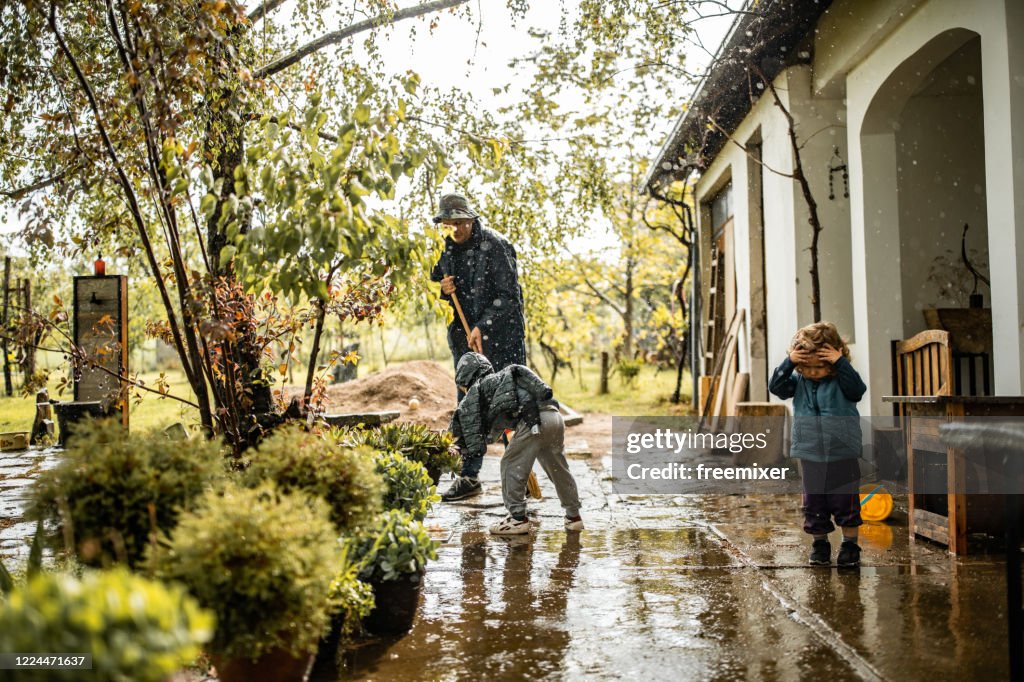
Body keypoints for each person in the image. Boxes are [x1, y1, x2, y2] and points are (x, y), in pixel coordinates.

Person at [446, 352, 584, 535]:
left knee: (509, 464)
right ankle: (573, 516)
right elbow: (496, 428)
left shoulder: (478, 388)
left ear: (466, 378)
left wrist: (455, 442)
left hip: (533, 421)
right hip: (554, 416)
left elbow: (466, 417)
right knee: (558, 468)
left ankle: (517, 518)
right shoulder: (502, 383)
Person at [768, 322, 867, 567]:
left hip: (842, 449)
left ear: (833, 359)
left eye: (819, 367)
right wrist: (789, 362)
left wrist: (841, 362)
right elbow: (776, 388)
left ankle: (850, 544)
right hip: (809, 451)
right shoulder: (798, 381)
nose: (813, 372)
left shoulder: (842, 380)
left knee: (846, 500)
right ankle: (820, 543)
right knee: (814, 502)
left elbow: (858, 390)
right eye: (807, 367)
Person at [429, 193, 527, 387]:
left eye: (459, 222)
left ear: (470, 220)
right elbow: (431, 289)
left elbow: (509, 297)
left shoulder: (496, 245)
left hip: (502, 339)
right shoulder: (439, 249)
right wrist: (440, 289)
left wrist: (483, 326)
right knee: (471, 404)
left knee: (506, 400)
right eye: (448, 224)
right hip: (463, 341)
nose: (454, 229)